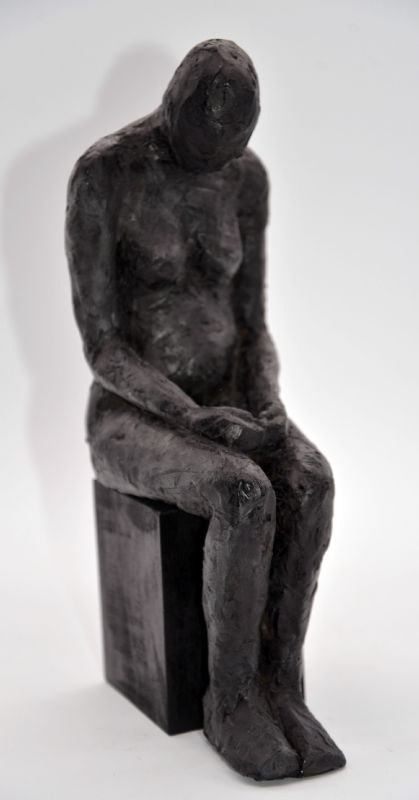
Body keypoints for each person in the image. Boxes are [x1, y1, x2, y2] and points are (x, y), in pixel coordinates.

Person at [65, 38, 345, 780]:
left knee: (311, 481)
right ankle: (230, 701)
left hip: (231, 401)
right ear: (173, 108)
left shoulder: (246, 178)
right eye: (204, 145)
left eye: (232, 146)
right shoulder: (106, 174)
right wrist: (188, 417)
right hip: (131, 416)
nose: (217, 160)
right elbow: (102, 346)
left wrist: (267, 399)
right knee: (242, 490)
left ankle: (282, 686)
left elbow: (252, 323)